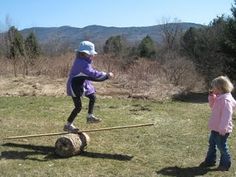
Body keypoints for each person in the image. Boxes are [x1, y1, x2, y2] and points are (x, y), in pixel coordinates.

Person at [64, 41, 114, 132]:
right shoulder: (82, 64)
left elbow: (90, 74)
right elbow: (93, 75)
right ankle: (68, 125)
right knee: (78, 107)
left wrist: (104, 76)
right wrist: (106, 75)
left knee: (92, 96)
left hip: (82, 83)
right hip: (74, 86)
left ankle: (89, 116)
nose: (93, 56)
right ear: (85, 54)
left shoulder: (83, 61)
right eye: (91, 54)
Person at [199, 76, 236, 171]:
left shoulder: (226, 100)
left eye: (214, 87)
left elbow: (226, 116)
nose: (212, 88)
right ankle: (210, 161)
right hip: (215, 127)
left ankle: (225, 164)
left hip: (222, 130)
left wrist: (223, 129)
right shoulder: (219, 97)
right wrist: (212, 97)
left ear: (220, 88)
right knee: (212, 144)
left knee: (222, 147)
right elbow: (212, 106)